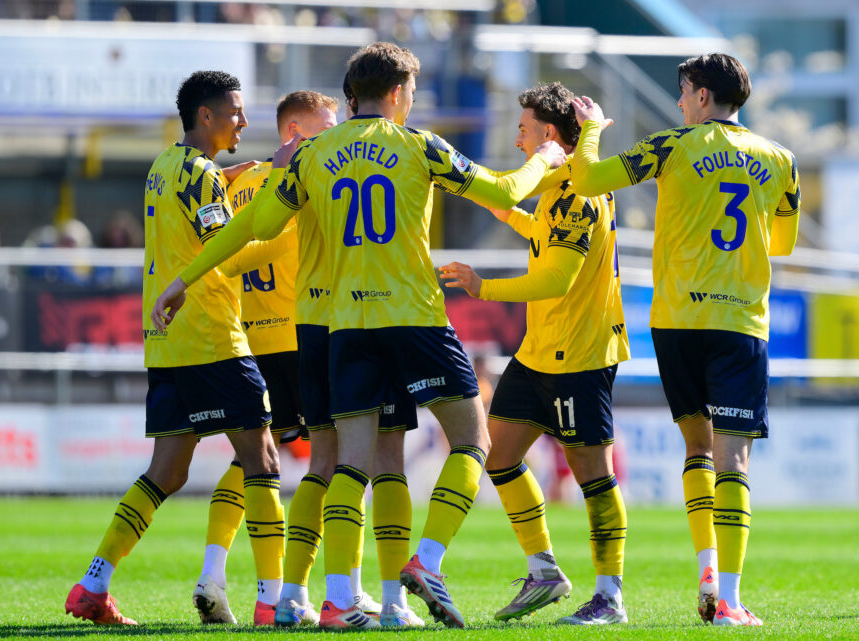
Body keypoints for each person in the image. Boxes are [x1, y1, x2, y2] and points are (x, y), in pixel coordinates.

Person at [153, 41, 566, 630]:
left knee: (347, 464)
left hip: (344, 326)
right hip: (414, 317)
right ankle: (425, 562)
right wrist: (545, 157)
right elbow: (504, 192)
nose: (413, 100)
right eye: (412, 91)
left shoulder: (313, 153)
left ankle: (339, 597)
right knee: (473, 440)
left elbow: (253, 225)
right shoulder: (419, 145)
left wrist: (183, 278)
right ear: (397, 92)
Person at [569, 53, 801, 627]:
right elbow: (783, 244)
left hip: (676, 322)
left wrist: (591, 129)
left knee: (697, 449)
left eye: (683, 91)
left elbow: (588, 180)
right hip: (739, 323)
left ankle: (707, 568)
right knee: (734, 460)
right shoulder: (781, 160)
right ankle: (729, 601)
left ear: (701, 96)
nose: (678, 102)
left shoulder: (672, 146)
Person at [64, 70, 293, 627]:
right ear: (206, 116)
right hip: (212, 337)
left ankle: (93, 583)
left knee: (166, 473)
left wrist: (230, 177)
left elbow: (193, 216)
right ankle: (274, 602)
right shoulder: (202, 176)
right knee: (262, 460)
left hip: (167, 345)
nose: (244, 121)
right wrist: (287, 217)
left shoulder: (164, 167)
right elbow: (228, 255)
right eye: (235, 112)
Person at [187, 90, 423, 629]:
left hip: (251, 341)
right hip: (307, 336)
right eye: (324, 127)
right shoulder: (313, 176)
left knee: (252, 462)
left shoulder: (240, 183)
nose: (336, 135)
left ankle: (221, 573)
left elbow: (222, 245)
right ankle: (335, 591)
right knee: (341, 464)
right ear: (293, 131)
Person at [439, 81, 630, 626]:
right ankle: (544, 570)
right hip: (539, 351)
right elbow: (546, 235)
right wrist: (508, 215)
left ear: (548, 132)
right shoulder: (560, 185)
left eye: (523, 130)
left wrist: (483, 287)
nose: (517, 139)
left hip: (581, 355)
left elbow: (556, 278)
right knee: (498, 455)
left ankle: (609, 597)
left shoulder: (580, 194)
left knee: (592, 474)